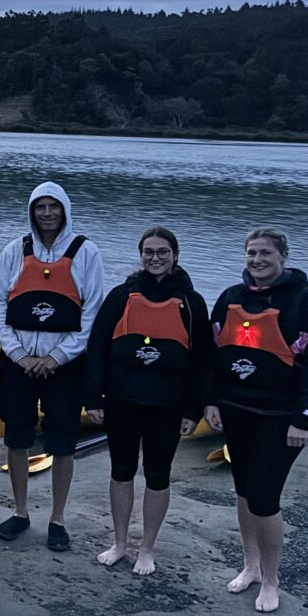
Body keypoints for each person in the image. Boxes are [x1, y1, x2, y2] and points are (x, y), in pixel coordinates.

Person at [203, 227, 308, 613]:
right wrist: (210, 401)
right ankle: (251, 567)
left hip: (280, 418)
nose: (257, 260)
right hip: (236, 410)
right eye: (251, 254)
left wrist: (305, 419)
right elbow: (213, 357)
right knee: (244, 491)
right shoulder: (231, 298)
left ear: (283, 256)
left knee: (264, 497)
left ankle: (273, 580)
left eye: (265, 253)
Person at [85, 227, 213, 574]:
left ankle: (147, 549)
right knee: (122, 470)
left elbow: (202, 360)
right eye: (148, 252)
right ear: (140, 255)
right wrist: (93, 398)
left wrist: (193, 409)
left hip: (167, 406)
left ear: (175, 256)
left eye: (162, 252)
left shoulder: (191, 303)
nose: (155, 258)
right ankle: (120, 543)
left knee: (158, 475)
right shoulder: (121, 296)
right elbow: (96, 347)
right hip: (122, 401)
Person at [0, 181, 104, 552]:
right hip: (18, 361)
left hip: (65, 365)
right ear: (32, 211)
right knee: (17, 437)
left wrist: (56, 357)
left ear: (65, 210)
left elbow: (92, 313)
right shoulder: (14, 251)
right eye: (41, 207)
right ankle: (21, 512)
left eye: (54, 206)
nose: (48, 213)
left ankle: (57, 518)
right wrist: (20, 355)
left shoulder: (86, 252)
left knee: (63, 442)